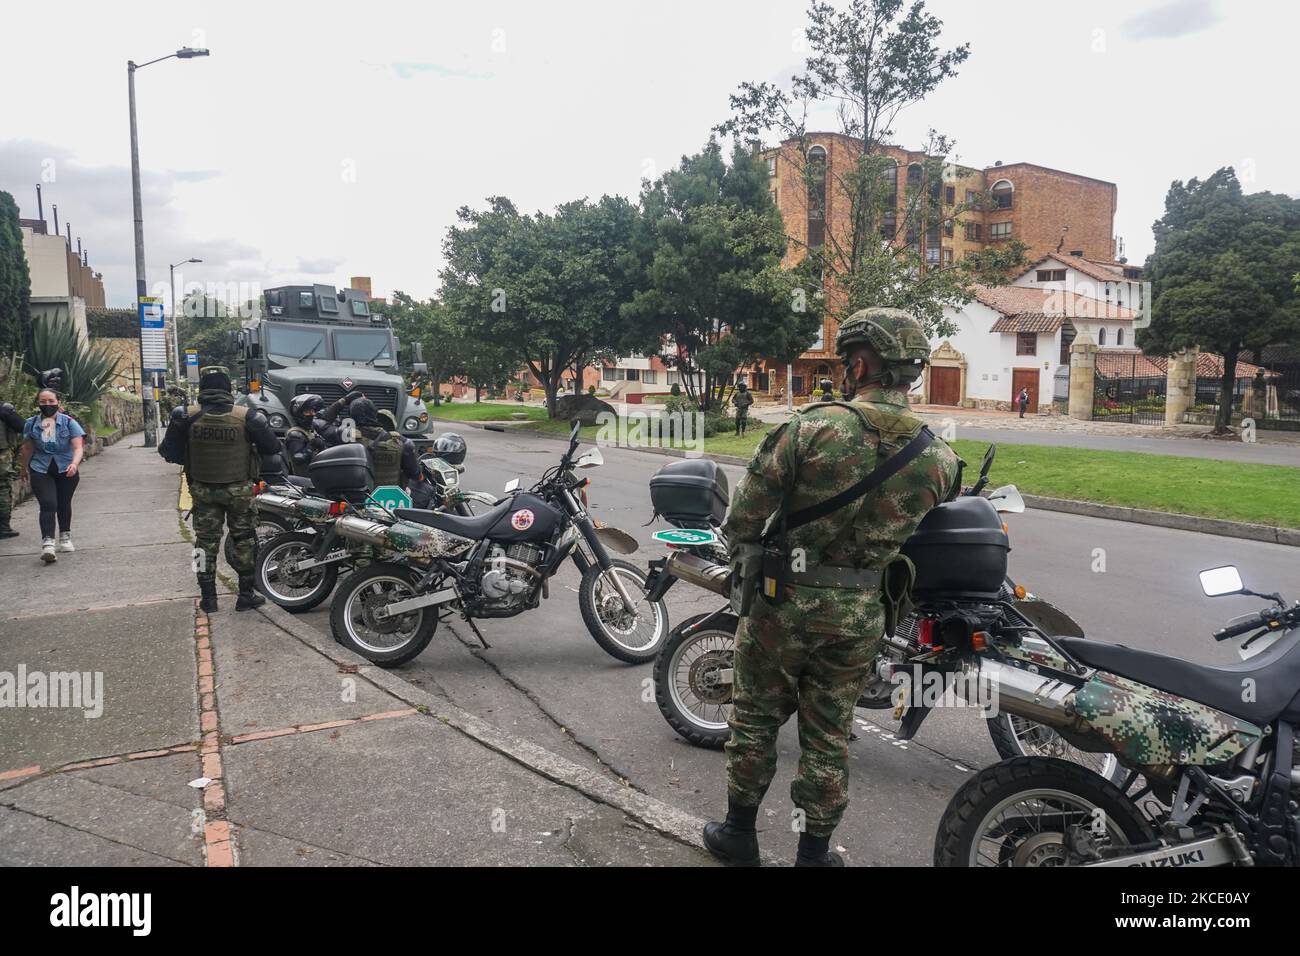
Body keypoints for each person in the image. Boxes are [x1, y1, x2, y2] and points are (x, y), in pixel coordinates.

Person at [705, 307, 961, 867]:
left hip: (780, 606)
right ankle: (814, 855)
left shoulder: (812, 428)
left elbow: (743, 522)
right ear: (911, 372)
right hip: (859, 616)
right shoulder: (939, 459)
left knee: (754, 721)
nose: (845, 369)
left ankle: (739, 836)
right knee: (829, 736)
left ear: (862, 362)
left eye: (848, 361)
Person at [159, 366, 282, 612]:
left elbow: (168, 453)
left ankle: (208, 598)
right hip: (240, 492)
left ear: (203, 390)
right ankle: (246, 594)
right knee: (245, 540)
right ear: (228, 390)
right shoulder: (248, 417)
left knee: (203, 543)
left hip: (203, 491)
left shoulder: (185, 415)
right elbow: (272, 448)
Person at [19, 389, 86, 563]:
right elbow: (27, 448)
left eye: (50, 401)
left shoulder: (69, 423)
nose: (47, 405)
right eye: (43, 401)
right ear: (38, 403)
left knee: (63, 503)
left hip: (66, 468)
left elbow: (78, 447)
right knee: (48, 503)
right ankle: (48, 542)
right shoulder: (31, 423)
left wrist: (74, 463)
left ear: (57, 402)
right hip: (41, 468)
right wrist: (23, 468)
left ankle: (65, 536)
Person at [348, 396, 419, 489]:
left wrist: (343, 400)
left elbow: (324, 425)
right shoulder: (402, 442)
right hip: (392, 497)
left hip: (355, 496)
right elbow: (415, 474)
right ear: (374, 414)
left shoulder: (344, 438)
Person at [284, 393, 326, 477]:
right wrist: (311, 446)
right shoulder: (295, 434)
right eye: (308, 412)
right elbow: (297, 458)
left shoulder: (311, 430)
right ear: (299, 414)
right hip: (303, 478)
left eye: (313, 411)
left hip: (316, 473)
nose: (312, 414)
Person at [0, 399, 25, 539]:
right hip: (2, 456)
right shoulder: (4, 409)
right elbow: (22, 426)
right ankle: (3, 527)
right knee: (3, 488)